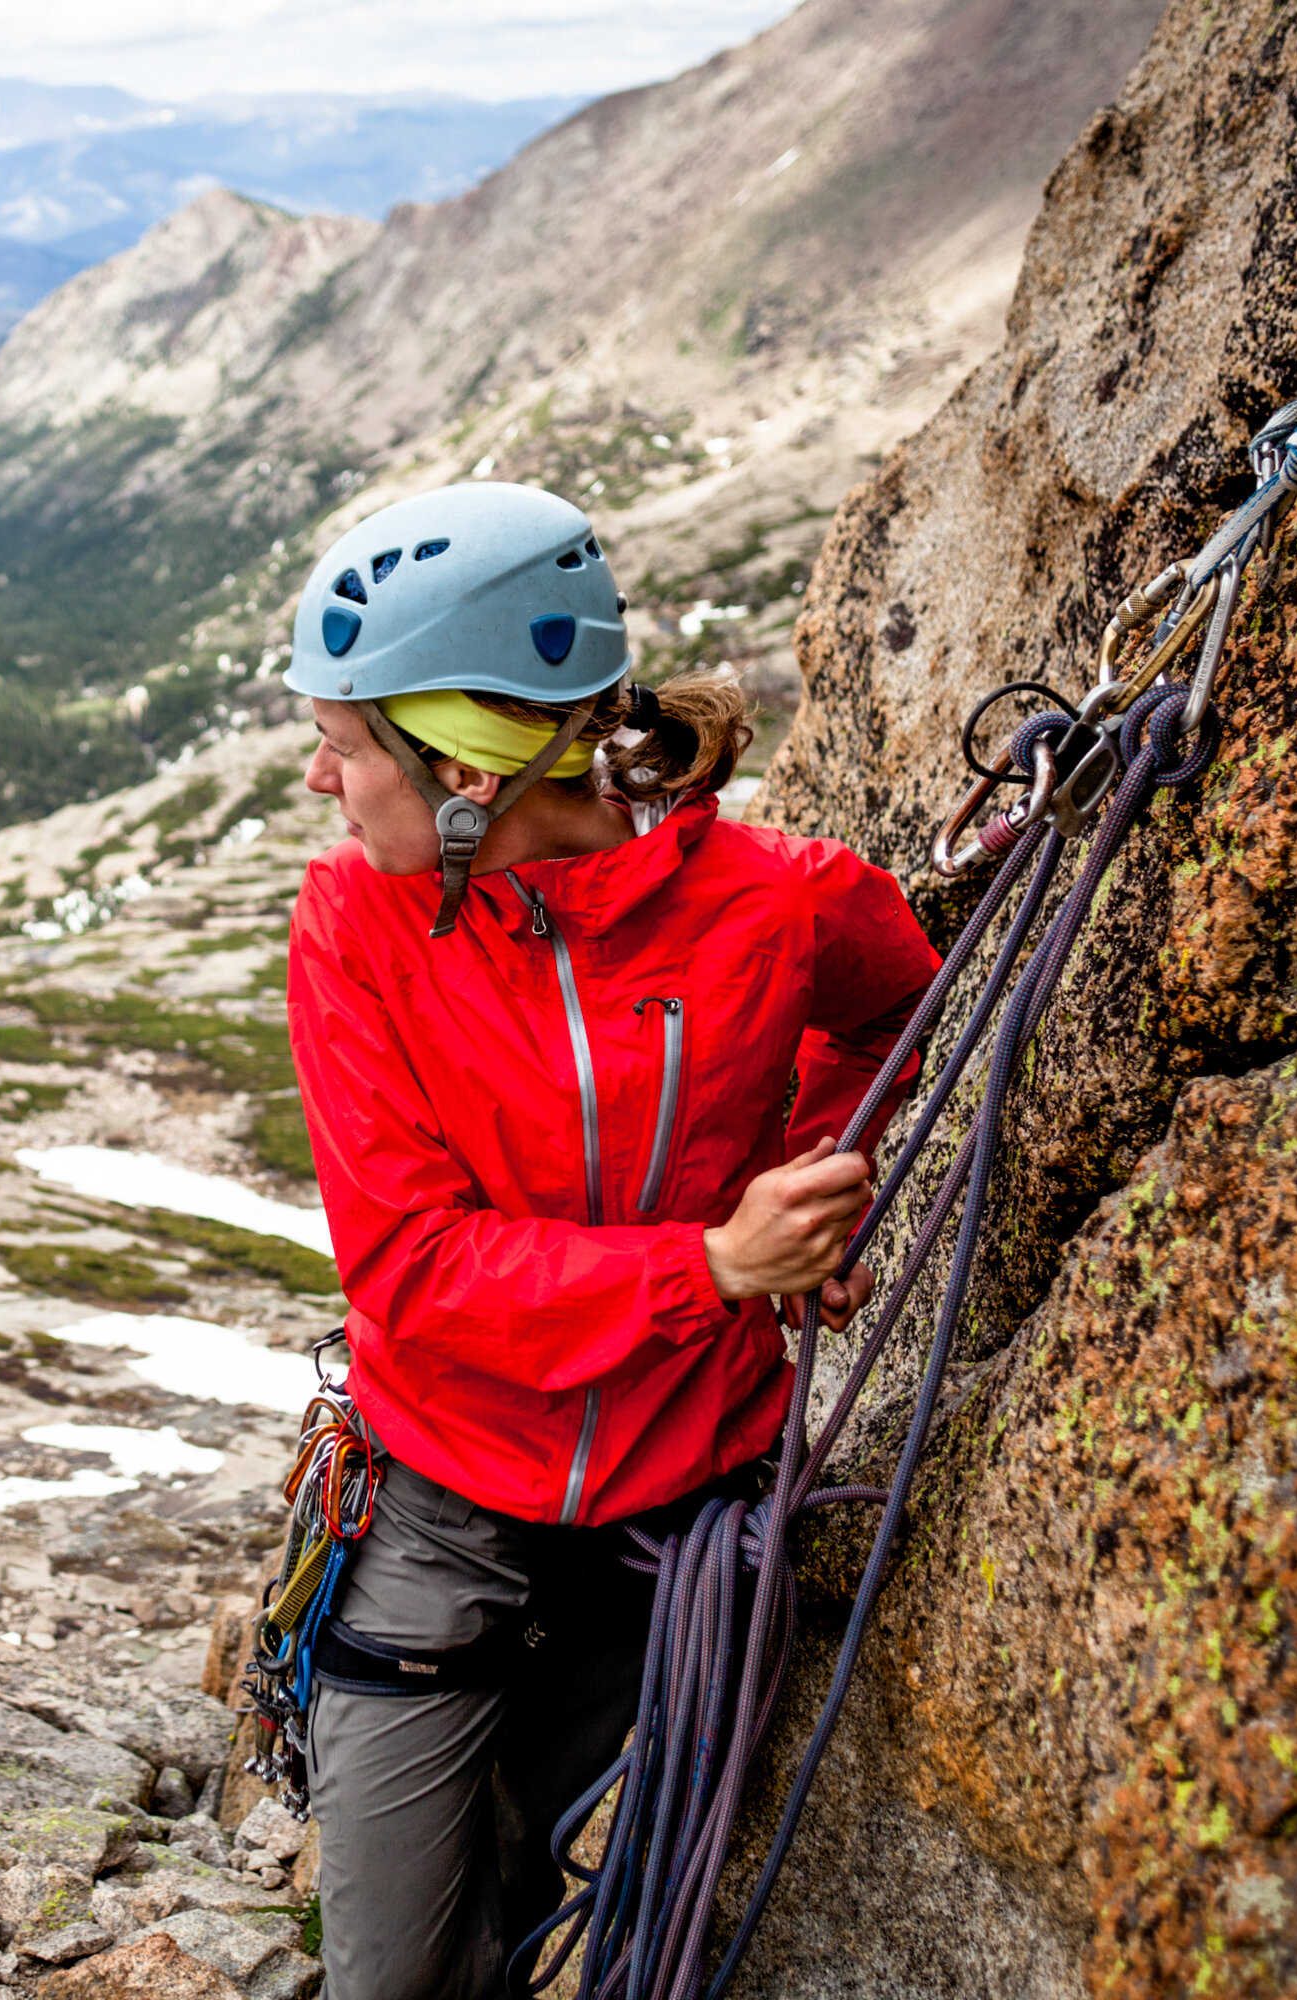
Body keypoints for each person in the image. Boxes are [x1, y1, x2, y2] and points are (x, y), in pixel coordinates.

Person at [275, 482, 940, 2000]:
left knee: (535, 1892)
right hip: (441, 1495)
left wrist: (805, 1180)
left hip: (678, 1498)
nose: (322, 781)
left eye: (343, 745)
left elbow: (896, 1009)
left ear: (463, 769)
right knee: (393, 1971)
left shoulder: (772, 903)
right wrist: (720, 1265)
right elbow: (413, 1273)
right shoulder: (354, 924)